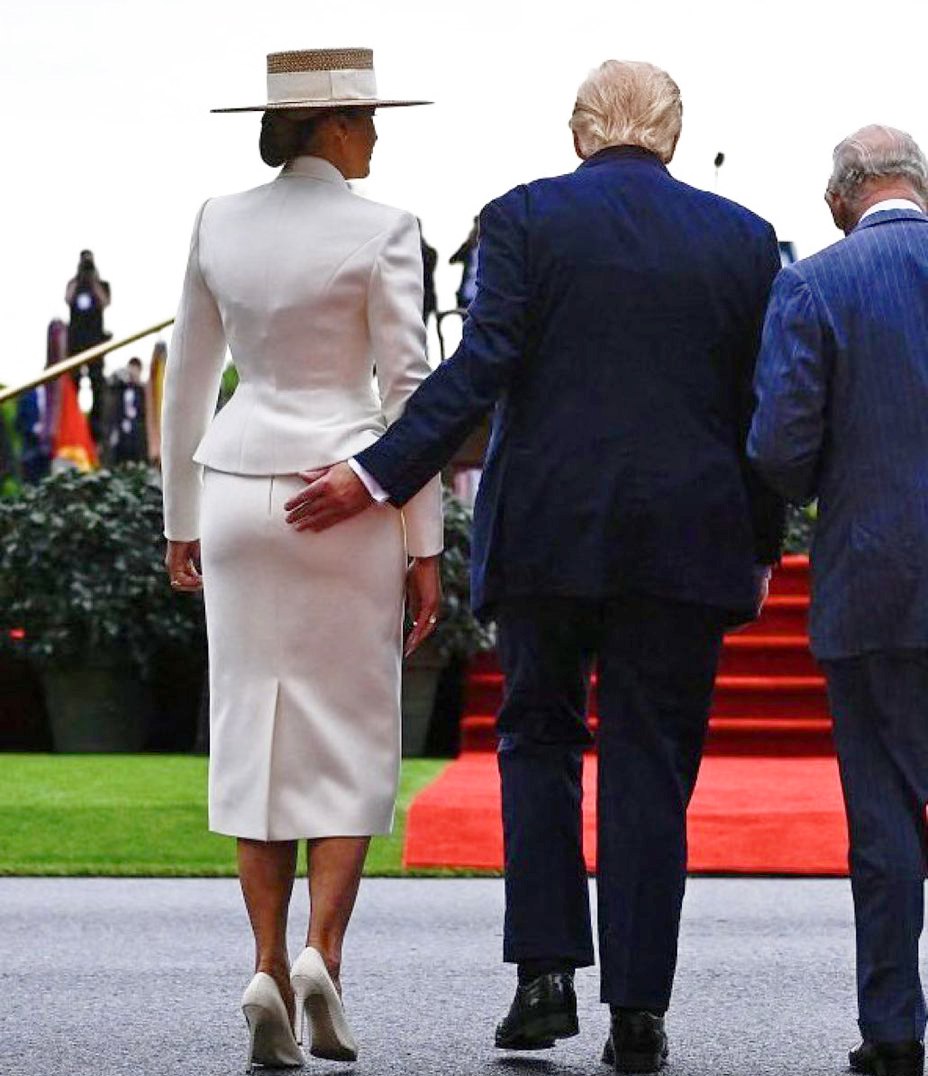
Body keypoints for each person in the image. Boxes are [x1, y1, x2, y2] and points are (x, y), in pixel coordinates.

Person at [285, 59, 785, 1072]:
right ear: (673, 136)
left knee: (537, 741)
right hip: (686, 540)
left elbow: (483, 364)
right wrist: (763, 538)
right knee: (650, 766)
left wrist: (376, 471)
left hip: (550, 531)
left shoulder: (521, 218)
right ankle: (638, 1011)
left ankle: (544, 978)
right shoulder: (744, 238)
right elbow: (761, 408)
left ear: (577, 133)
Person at [160, 47, 442, 1071]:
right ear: (333, 126)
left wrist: (179, 519)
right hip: (347, 495)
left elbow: (189, 380)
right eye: (365, 116)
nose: (376, 132)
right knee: (352, 730)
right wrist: (423, 543)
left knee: (254, 732)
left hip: (237, 490)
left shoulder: (216, 221)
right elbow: (410, 394)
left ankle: (266, 966)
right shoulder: (388, 228)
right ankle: (324, 954)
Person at [749, 125, 928, 1076]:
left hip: (875, 575)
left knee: (886, 814)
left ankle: (894, 1028)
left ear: (838, 200)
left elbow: (780, 447)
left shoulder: (815, 285)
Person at [65, 249, 111, 443]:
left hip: (95, 343)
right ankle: (73, 427)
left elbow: (105, 302)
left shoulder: (101, 285)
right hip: (76, 342)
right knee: (73, 384)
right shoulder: (74, 284)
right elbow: (68, 299)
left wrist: (93, 280)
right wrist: (80, 278)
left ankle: (96, 433)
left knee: (97, 386)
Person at [15, 320, 65, 483]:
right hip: (31, 449)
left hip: (50, 449)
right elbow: (19, 422)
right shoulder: (27, 394)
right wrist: (34, 429)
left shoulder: (58, 395)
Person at [107, 357, 147, 464]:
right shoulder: (120, 389)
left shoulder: (143, 391)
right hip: (122, 435)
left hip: (138, 435)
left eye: (135, 369)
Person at [449, 216, 479, 308]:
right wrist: (467, 244)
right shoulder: (469, 247)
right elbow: (452, 260)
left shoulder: (492, 248)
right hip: (467, 294)